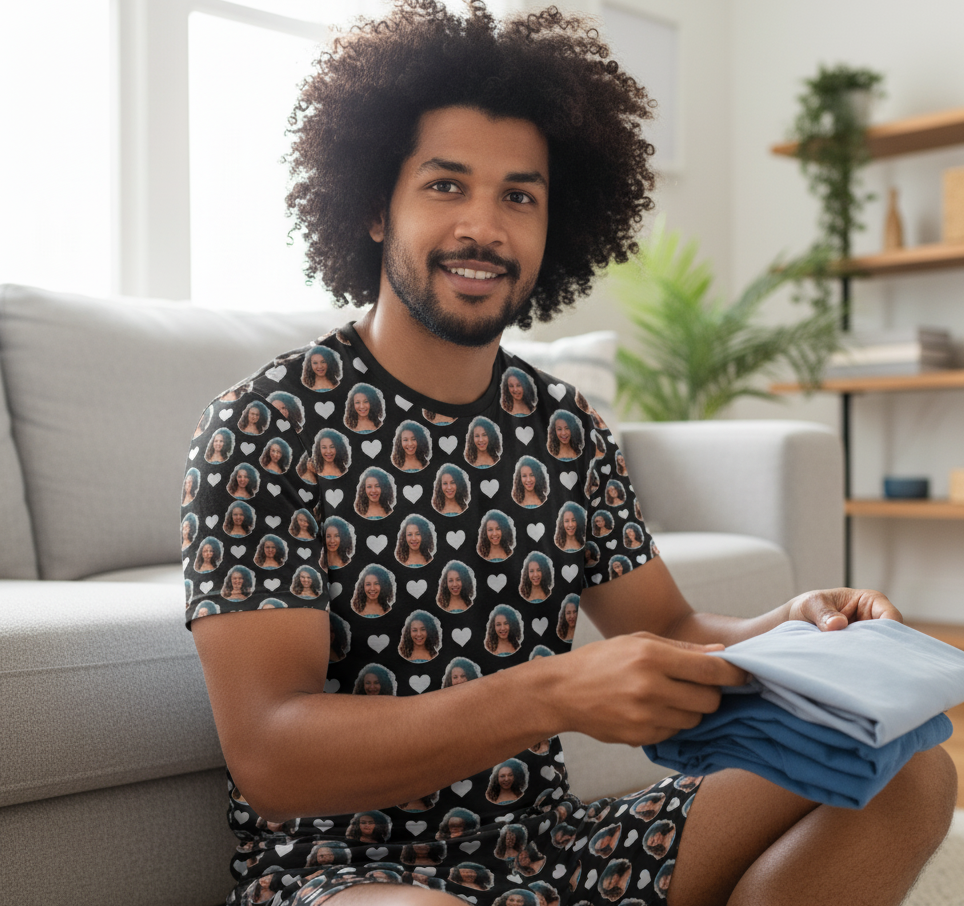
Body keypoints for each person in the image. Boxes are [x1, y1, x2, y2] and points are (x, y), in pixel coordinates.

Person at [183, 3, 956, 905]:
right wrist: (551, 694)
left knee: (908, 773)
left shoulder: (563, 426)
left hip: (554, 851)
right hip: (343, 870)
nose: (483, 227)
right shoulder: (263, 425)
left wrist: (791, 624)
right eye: (445, 185)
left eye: (519, 196)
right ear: (373, 207)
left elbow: (669, 627)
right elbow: (271, 758)